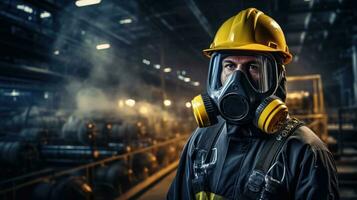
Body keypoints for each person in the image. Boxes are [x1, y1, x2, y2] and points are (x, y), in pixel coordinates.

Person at [167, 8, 339, 200]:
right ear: (218, 74)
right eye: (230, 66)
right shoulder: (201, 140)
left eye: (253, 67)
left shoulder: (306, 154)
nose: (237, 80)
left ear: (278, 79)